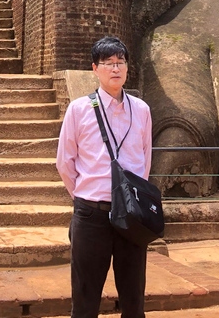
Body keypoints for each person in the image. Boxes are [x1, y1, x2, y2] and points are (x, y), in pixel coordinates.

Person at [56, 36, 153, 318]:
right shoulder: (79, 109)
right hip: (91, 216)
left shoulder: (142, 110)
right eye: (108, 63)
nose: (115, 69)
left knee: (134, 301)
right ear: (95, 69)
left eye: (120, 62)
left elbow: (145, 160)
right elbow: (65, 162)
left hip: (131, 218)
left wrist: (130, 198)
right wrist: (86, 196)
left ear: (127, 68)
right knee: (85, 301)